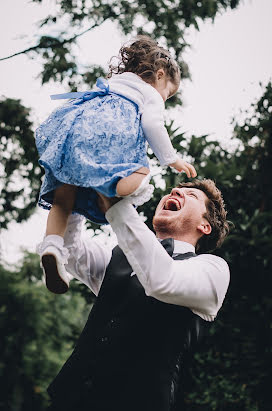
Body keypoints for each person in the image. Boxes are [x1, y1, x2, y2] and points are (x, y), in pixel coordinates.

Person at [46, 178, 230, 411]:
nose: (175, 191)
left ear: (205, 226)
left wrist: (114, 203)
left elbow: (162, 280)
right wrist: (74, 188)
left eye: (191, 196)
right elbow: (69, 251)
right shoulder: (119, 256)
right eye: (175, 190)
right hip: (69, 401)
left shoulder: (213, 270)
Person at [35, 35, 196, 294]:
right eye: (168, 93)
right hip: (111, 135)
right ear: (160, 74)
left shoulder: (115, 82)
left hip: (74, 128)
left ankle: (52, 246)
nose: (164, 99)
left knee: (63, 197)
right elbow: (153, 125)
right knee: (141, 171)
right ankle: (116, 188)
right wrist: (172, 159)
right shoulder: (150, 94)